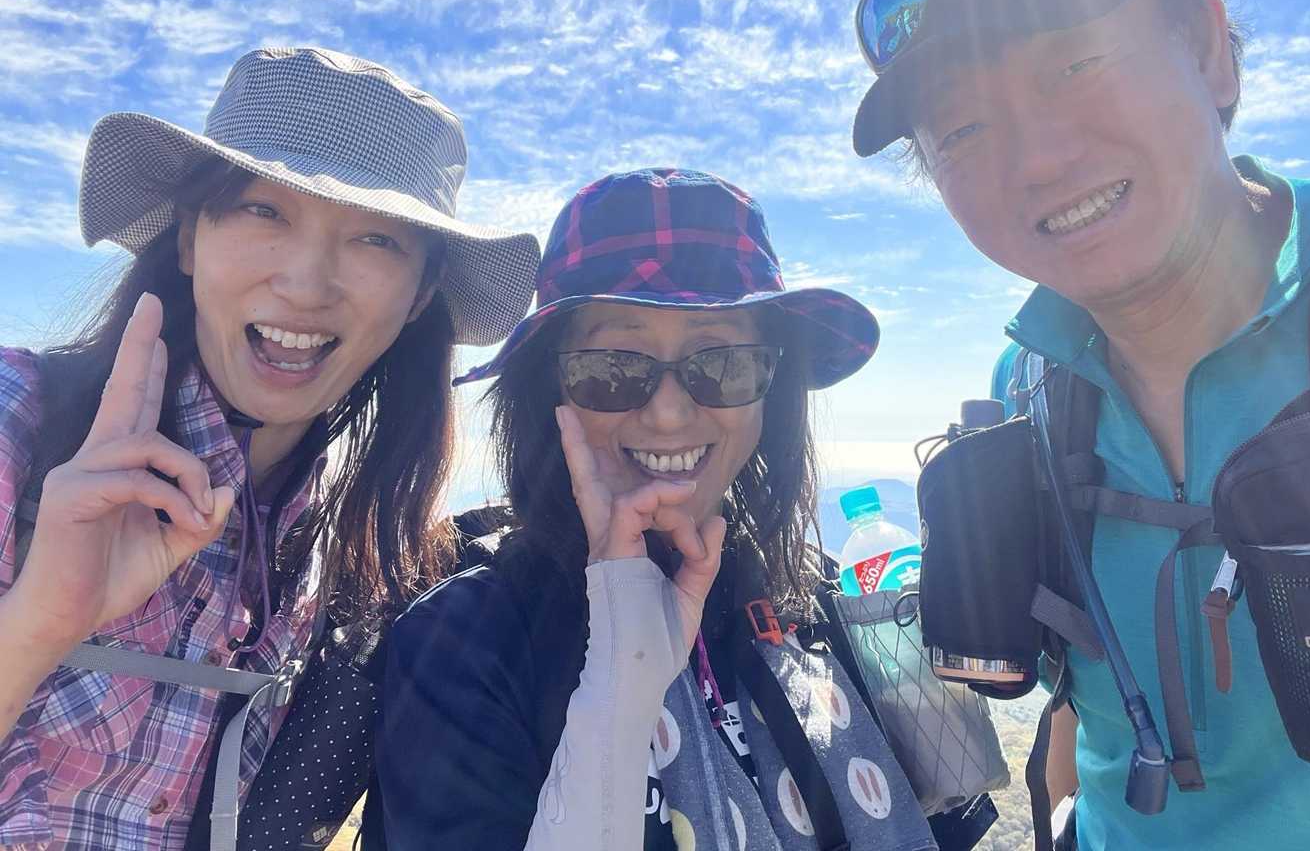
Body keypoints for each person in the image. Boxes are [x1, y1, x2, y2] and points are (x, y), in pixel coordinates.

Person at [849, 0, 1310, 849]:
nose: (1039, 159)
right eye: (963, 128)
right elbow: (1084, 709)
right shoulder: (1034, 384)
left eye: (1075, 66)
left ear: (1208, 48)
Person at [0, 46, 540, 849]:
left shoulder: (349, 555)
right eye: (263, 211)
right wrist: (39, 624)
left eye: (376, 241)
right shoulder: (21, 427)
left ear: (419, 296)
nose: (306, 284)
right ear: (189, 239)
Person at [379, 168, 984, 851]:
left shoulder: (815, 595)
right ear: (551, 390)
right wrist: (622, 671)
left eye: (722, 364)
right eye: (613, 367)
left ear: (772, 389)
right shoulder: (467, 641)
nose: (668, 414)